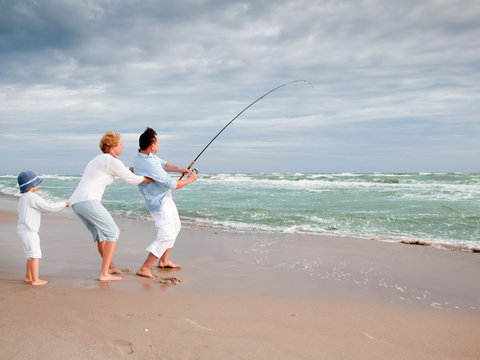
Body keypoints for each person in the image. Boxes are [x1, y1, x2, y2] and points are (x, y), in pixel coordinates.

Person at [69, 131, 152, 281]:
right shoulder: (110, 160)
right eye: (120, 144)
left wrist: (131, 169)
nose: (122, 147)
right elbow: (131, 180)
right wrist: (152, 179)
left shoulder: (101, 159)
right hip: (88, 201)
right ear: (113, 147)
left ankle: (110, 267)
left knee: (101, 236)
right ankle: (104, 274)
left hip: (77, 202)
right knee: (113, 232)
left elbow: (122, 170)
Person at [133, 127, 197, 278]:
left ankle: (164, 260)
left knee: (176, 226)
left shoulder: (144, 156)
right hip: (159, 202)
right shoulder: (150, 164)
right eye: (157, 141)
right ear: (152, 145)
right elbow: (173, 185)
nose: (159, 144)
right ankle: (145, 267)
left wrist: (179, 169)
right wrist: (190, 179)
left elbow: (163, 163)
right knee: (167, 234)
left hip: (164, 198)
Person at [17, 170, 69, 286]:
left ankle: (28, 277)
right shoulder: (32, 197)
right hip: (30, 230)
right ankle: (35, 280)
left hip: (22, 229)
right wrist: (63, 204)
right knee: (35, 254)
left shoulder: (23, 198)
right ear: (31, 185)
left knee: (30, 255)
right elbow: (48, 207)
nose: (38, 185)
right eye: (36, 183)